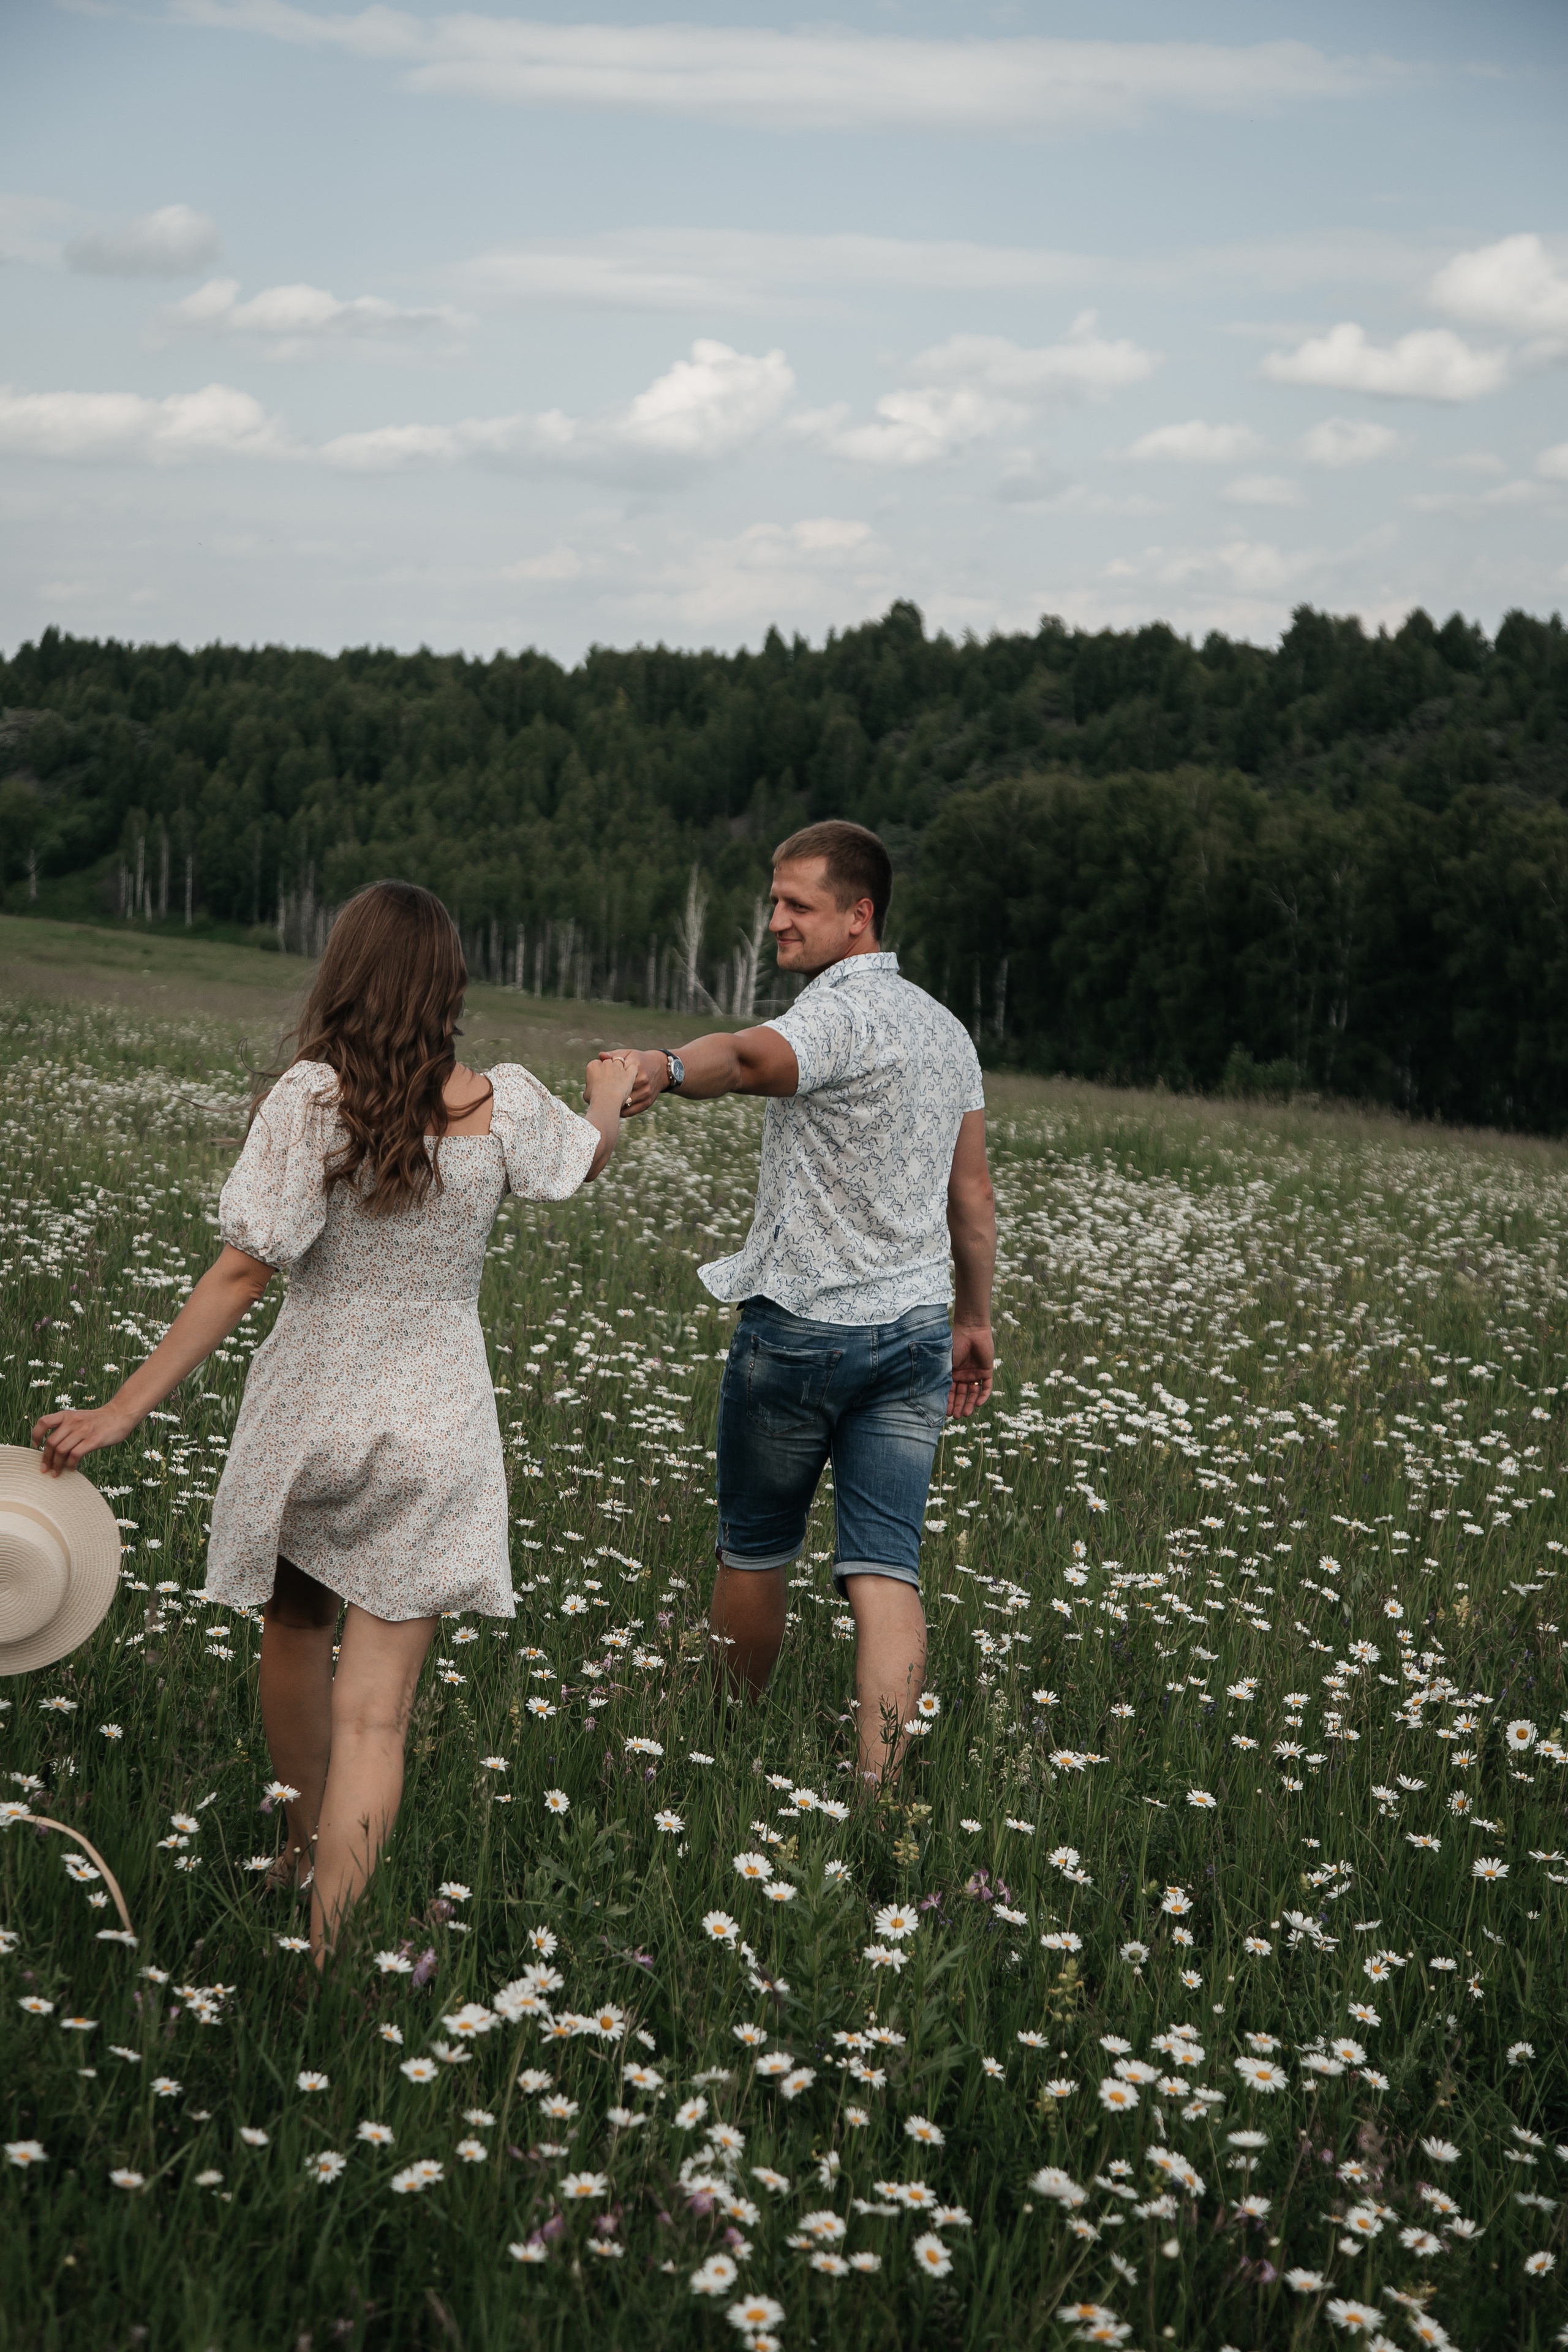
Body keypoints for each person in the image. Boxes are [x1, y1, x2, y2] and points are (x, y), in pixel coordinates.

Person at [33, 880, 639, 1961]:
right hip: (438, 1422)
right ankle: (332, 1953)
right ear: (450, 985)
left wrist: (124, 1409)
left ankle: (293, 1849)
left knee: (295, 1629)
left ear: (344, 975)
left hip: (311, 1411)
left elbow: (242, 1268)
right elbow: (586, 1158)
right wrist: (608, 1089)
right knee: (378, 1718)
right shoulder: (504, 1104)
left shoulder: (314, 1100)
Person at [606, 820, 996, 1782]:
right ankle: (880, 1789)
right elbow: (973, 1198)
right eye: (773, 902)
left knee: (754, 1550)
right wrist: (974, 1319)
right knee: (885, 1569)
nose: (775, 922)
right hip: (914, 1335)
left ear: (859, 917)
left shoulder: (834, 1015)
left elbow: (743, 1059)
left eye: (798, 907)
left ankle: (719, 1749)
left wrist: (665, 1064)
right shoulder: (946, 1030)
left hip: (801, 1334)